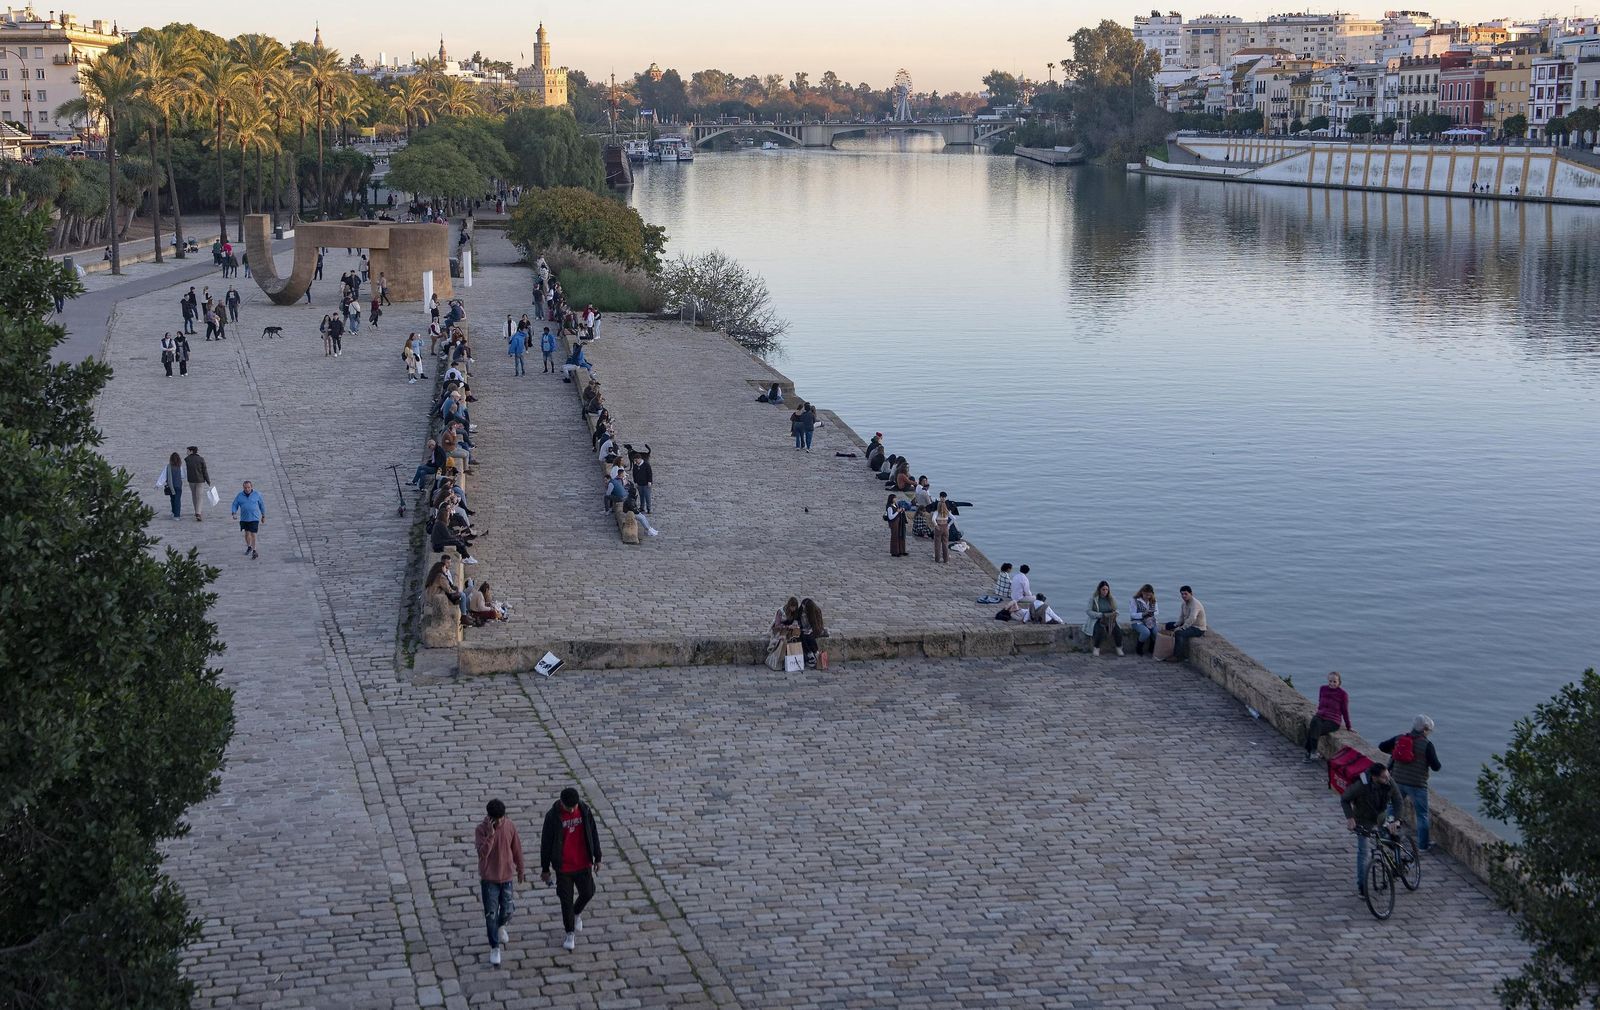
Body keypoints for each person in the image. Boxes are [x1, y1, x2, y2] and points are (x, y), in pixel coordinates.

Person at [540, 787, 602, 952]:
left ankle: (576, 913)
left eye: (574, 806)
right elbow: (545, 844)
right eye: (569, 807)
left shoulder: (584, 810)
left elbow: (593, 833)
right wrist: (545, 869)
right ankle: (569, 933)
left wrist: (598, 856)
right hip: (564, 867)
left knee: (588, 892)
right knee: (565, 901)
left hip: (583, 863)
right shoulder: (552, 817)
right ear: (562, 803)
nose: (573, 809)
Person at [475, 798, 525, 967]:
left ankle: (501, 925)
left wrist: (521, 869)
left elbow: (516, 848)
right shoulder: (481, 830)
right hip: (490, 879)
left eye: (503, 818)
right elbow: (482, 854)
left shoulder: (510, 826)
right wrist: (491, 835)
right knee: (491, 914)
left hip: (507, 877)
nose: (501, 822)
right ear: (490, 818)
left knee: (508, 910)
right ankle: (494, 946)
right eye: (498, 819)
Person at [1380, 715, 1442, 852]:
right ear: (1425, 730)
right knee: (1422, 815)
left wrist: (1396, 752)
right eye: (1429, 731)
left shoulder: (1399, 739)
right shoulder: (1427, 745)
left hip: (1397, 781)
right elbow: (1436, 767)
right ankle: (1423, 846)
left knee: (1392, 809)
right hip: (1417, 784)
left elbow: (1382, 746)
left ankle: (1388, 836)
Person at [1340, 762, 1396, 896]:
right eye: (1383, 777)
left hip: (1381, 815)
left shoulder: (1388, 780)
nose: (1387, 779)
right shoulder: (1360, 786)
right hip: (1363, 819)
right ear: (1374, 777)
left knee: (1389, 839)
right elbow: (1344, 799)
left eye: (1387, 775)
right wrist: (1350, 818)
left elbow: (1398, 800)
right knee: (1363, 852)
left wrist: (1397, 819)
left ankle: (1395, 863)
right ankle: (1362, 887)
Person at [1304, 671, 1353, 761]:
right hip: (1320, 716)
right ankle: (1312, 753)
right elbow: (1320, 703)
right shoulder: (1323, 689)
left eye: (1334, 681)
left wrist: (1348, 726)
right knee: (1315, 722)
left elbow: (1345, 711)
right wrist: (1319, 713)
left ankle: (1310, 752)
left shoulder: (1343, 694)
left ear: (1339, 682)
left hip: (1333, 720)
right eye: (1330, 681)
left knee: (1314, 728)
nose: (1332, 683)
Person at [1163, 586, 1207, 661]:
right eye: (1182, 594)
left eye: (1186, 594)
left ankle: (1177, 656)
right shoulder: (1184, 603)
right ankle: (1168, 648)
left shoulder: (1195, 604)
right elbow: (1181, 617)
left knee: (1179, 633)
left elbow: (1192, 618)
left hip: (1197, 628)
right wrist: (1176, 625)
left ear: (1191, 594)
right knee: (1168, 625)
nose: (1183, 596)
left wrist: (1182, 627)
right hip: (1188, 624)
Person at [1086, 580, 1124, 657]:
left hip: (1110, 619)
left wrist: (1115, 614)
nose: (1105, 591)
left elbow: (1116, 609)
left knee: (1118, 631)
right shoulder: (1094, 599)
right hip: (1098, 619)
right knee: (1100, 631)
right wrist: (1101, 615)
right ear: (1099, 590)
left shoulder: (1111, 599)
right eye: (1103, 589)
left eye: (1107, 589)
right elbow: (1088, 611)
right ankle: (1096, 648)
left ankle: (1119, 648)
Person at [230, 480, 265, 559]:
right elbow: (235, 504)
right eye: (245, 488)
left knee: (253, 534)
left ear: (251, 487)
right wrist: (234, 513)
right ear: (243, 488)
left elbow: (261, 505)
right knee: (247, 534)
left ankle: (254, 550)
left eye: (248, 487)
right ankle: (249, 546)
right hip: (244, 518)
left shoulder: (257, 494)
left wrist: (263, 515)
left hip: (254, 518)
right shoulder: (240, 495)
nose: (247, 489)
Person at [1130, 585, 1160, 655]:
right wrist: (1143, 614)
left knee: (1156, 632)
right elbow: (1132, 614)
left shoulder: (1153, 600)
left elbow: (1157, 612)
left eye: (1149, 595)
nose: (1148, 597)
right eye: (1146, 595)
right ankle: (1139, 647)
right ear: (1142, 592)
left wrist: (1151, 613)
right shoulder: (1134, 600)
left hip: (1150, 621)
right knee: (1146, 632)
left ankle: (1152, 647)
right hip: (1137, 621)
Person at [184, 446, 211, 522]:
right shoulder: (201, 459)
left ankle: (196, 511)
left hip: (191, 480)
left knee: (194, 495)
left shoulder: (187, 459)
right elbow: (204, 471)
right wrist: (208, 480)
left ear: (191, 451)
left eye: (188, 451)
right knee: (199, 497)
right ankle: (198, 513)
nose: (186, 452)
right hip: (200, 480)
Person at [799, 598, 827, 669]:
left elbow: (818, 627)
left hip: (814, 631)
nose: (803, 607)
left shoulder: (816, 612)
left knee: (808, 636)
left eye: (804, 606)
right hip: (804, 630)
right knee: (802, 635)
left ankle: (813, 654)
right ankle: (811, 654)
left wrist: (810, 630)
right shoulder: (801, 611)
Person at [157, 452, 186, 519]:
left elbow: (163, 476)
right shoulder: (180, 467)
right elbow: (183, 476)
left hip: (171, 486)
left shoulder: (168, 467)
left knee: (172, 499)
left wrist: (158, 484)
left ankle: (174, 513)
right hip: (178, 486)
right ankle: (177, 516)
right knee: (177, 500)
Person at [629, 446, 654, 515]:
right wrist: (635, 482)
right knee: (641, 496)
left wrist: (650, 482)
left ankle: (649, 508)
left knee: (647, 496)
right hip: (639, 484)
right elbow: (634, 474)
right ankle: (642, 507)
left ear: (639, 459)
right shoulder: (635, 466)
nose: (635, 462)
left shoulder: (646, 465)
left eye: (636, 460)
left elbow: (650, 474)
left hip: (646, 484)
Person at [930, 497, 951, 563]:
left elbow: (933, 519)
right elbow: (954, 518)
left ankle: (937, 559)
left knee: (937, 544)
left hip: (939, 527)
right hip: (945, 527)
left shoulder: (936, 512)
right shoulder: (947, 512)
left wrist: (936, 525)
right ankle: (946, 559)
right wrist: (949, 525)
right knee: (945, 544)